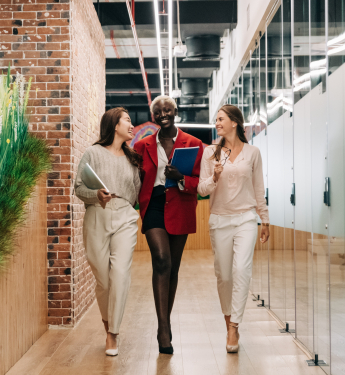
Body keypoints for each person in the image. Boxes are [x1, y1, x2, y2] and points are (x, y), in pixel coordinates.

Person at [134, 95, 203, 354]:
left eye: (167, 110)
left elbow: (200, 183)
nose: (163, 114)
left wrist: (181, 177)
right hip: (153, 204)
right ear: (153, 116)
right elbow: (134, 176)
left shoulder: (193, 144)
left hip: (181, 205)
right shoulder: (142, 146)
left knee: (172, 268)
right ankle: (163, 329)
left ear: (176, 112)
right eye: (158, 111)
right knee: (161, 260)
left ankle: (166, 319)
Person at [198, 105, 270, 353]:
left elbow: (259, 188)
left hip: (246, 219)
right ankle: (228, 319)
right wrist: (214, 178)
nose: (217, 123)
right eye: (216, 119)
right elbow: (201, 190)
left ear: (234, 123)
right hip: (220, 220)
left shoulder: (253, 153)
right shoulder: (211, 153)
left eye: (221, 119)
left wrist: (265, 219)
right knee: (225, 275)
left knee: (241, 270)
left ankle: (234, 326)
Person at [74, 108, 141, 356]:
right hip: (96, 215)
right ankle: (107, 323)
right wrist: (96, 195)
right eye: (128, 120)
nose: (132, 125)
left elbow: (135, 191)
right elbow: (78, 187)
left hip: (124, 215)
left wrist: (123, 204)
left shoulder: (132, 158)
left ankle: (113, 333)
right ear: (115, 125)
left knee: (120, 274)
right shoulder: (92, 153)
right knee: (103, 279)